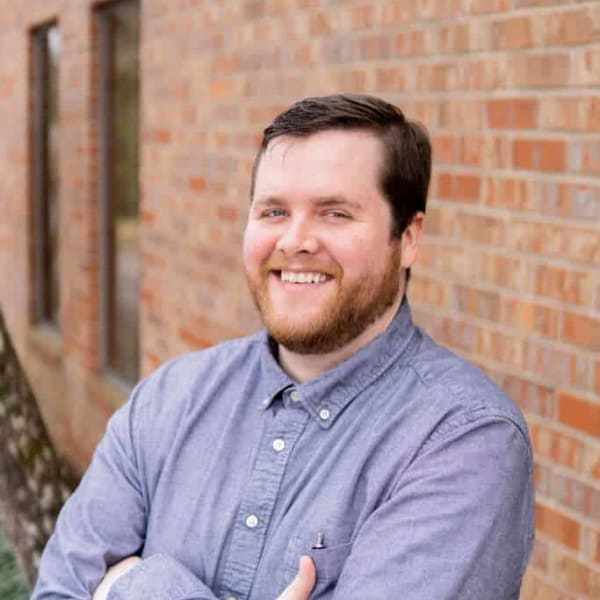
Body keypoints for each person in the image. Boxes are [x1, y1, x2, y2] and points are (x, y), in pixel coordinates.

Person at [32, 94, 534, 600]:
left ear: (408, 237)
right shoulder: (167, 401)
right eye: (274, 211)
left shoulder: (464, 439)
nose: (294, 241)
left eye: (334, 213)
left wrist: (134, 584)